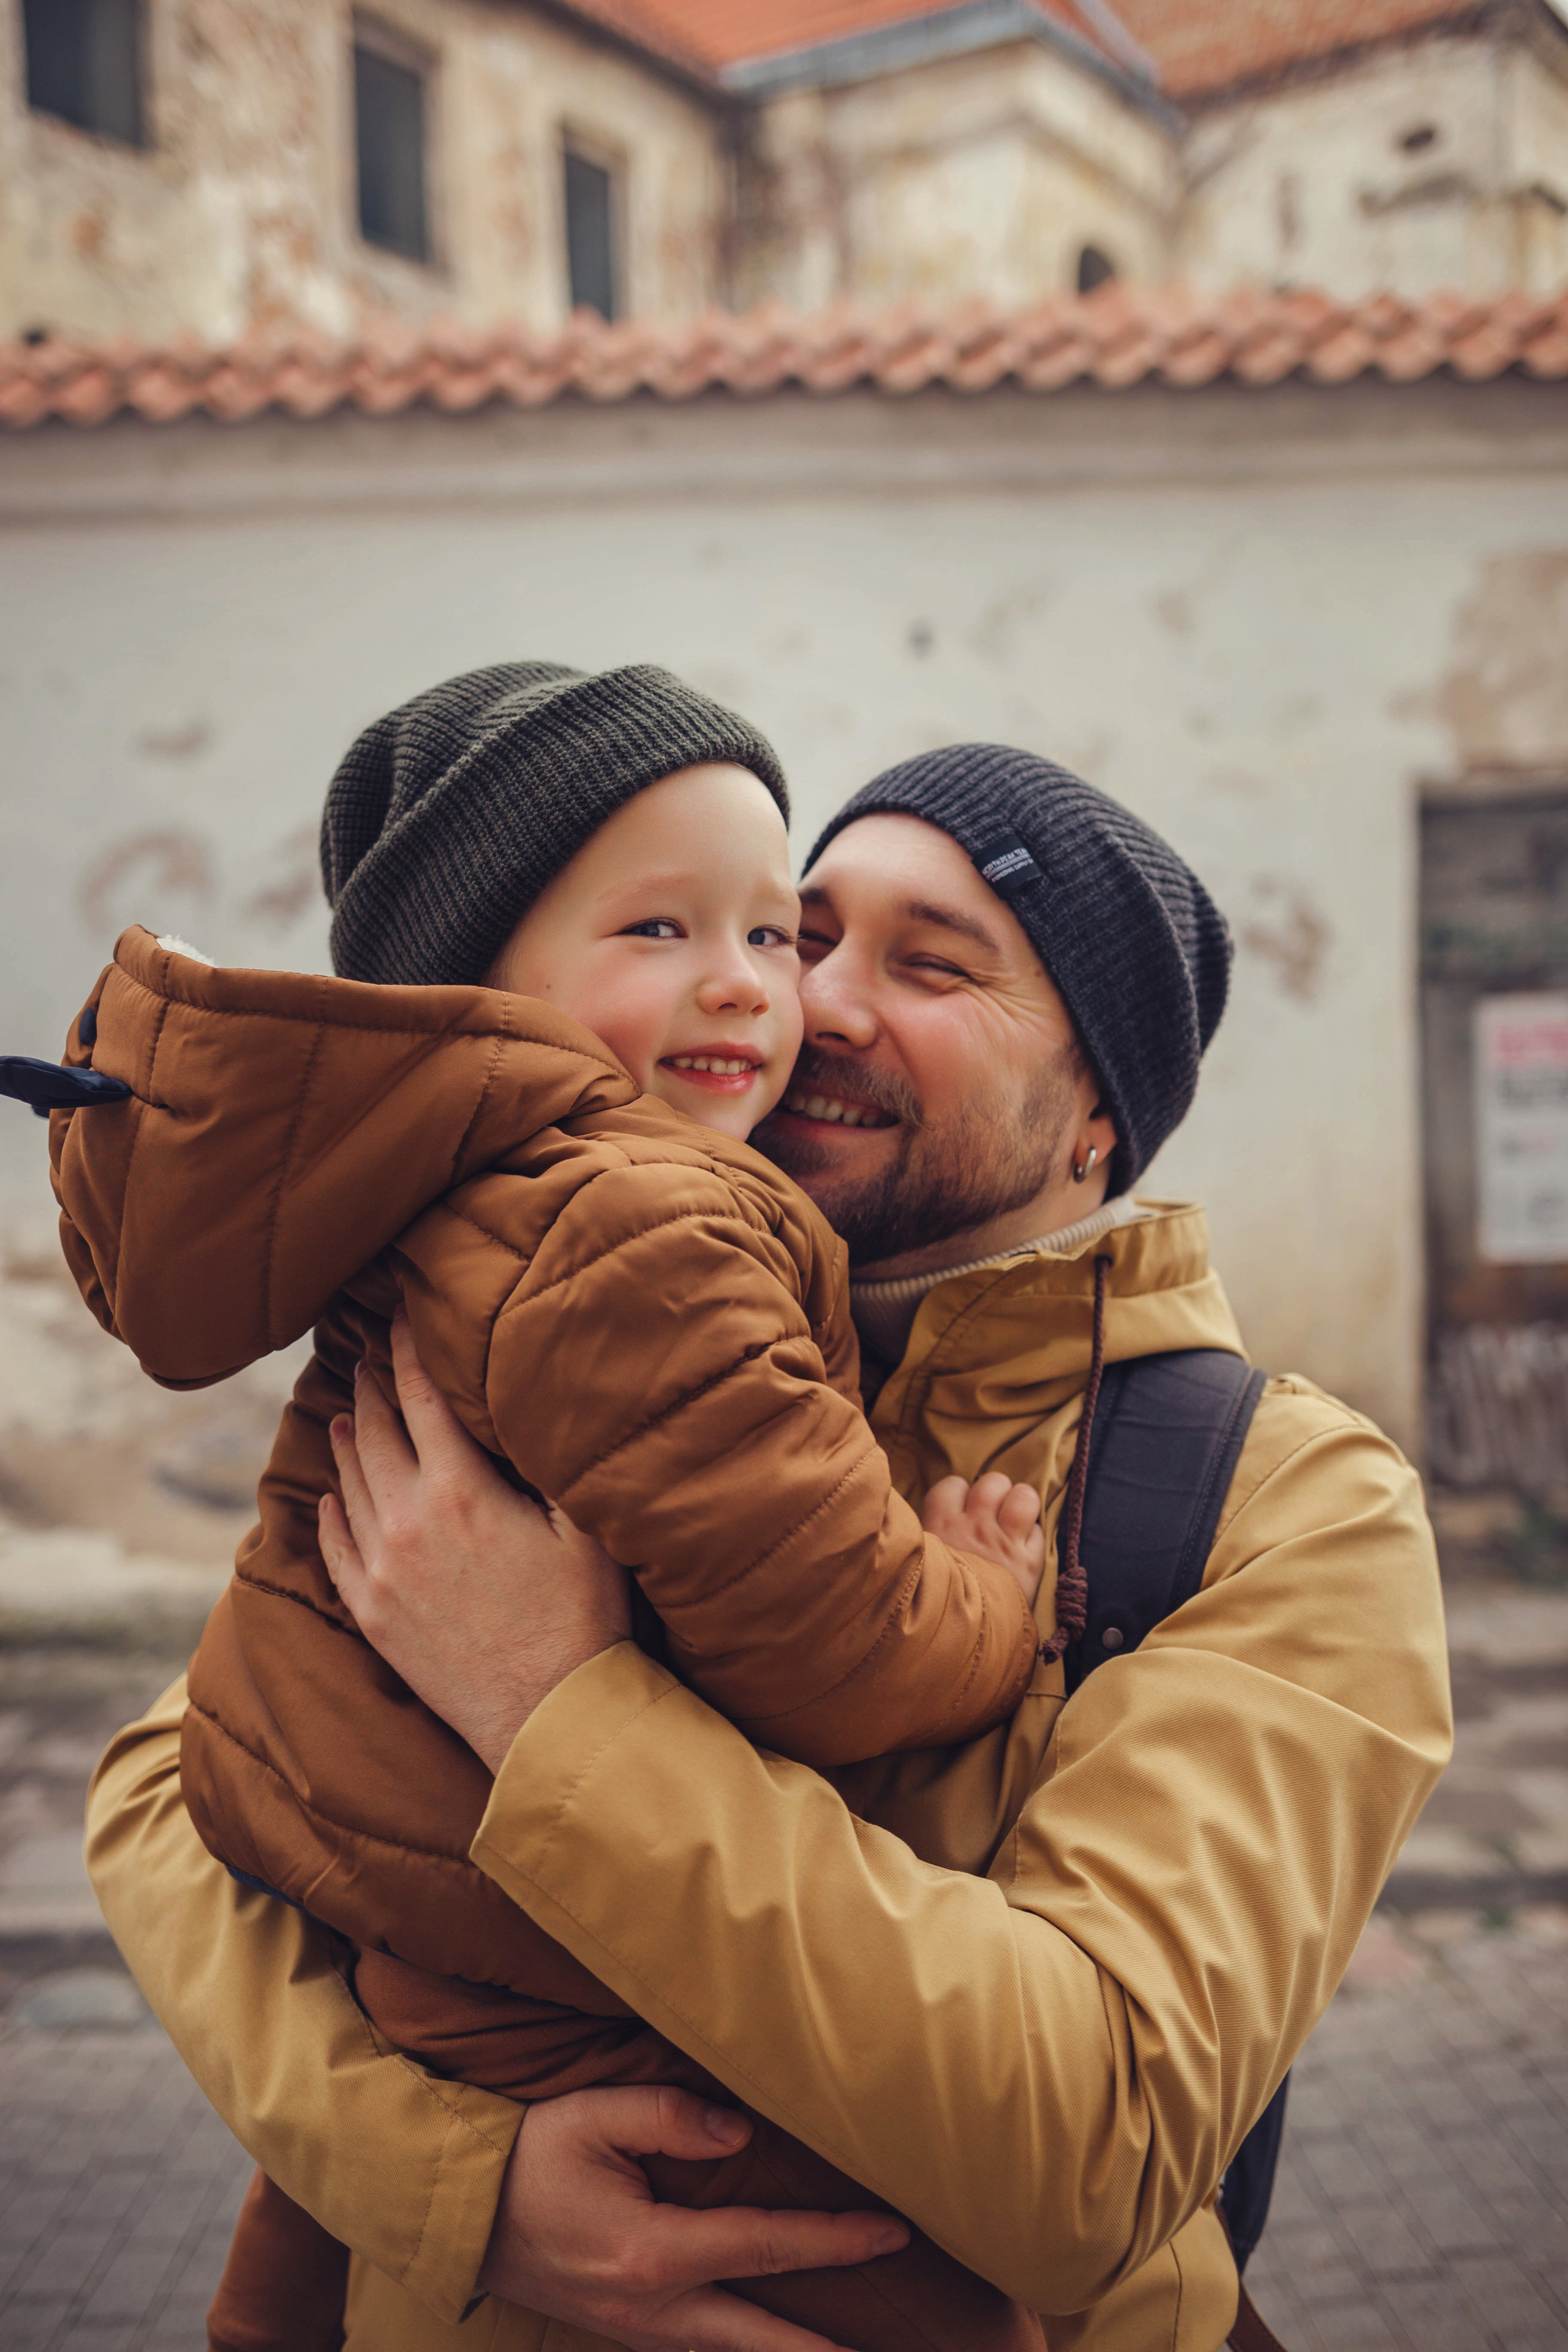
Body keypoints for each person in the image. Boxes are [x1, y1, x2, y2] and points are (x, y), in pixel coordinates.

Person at [85, 739, 1453, 2352]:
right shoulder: (583, 1329)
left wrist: (553, 1711)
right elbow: (172, 1791)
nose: (816, 1002)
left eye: (933, 965)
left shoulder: (1290, 1502)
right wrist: (461, 2186)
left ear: (1100, 1108)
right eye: (802, 938)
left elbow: (1096, 2148)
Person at [53, 662, 1067, 2352]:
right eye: (657, 932)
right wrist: (981, 1600)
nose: (752, 989)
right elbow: (843, 1649)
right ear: (475, 994)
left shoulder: (476, 1194)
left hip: (424, 1897)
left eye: (765, 933)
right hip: (548, 1931)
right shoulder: (645, 1227)